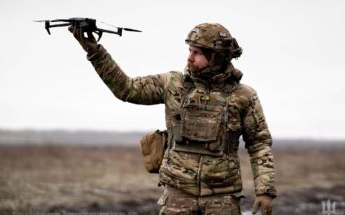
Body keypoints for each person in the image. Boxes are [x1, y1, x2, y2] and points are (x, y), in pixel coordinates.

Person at [69, 23, 276, 215]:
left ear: (216, 57)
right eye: (189, 51)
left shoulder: (244, 96)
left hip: (222, 199)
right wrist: (95, 52)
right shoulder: (172, 84)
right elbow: (127, 89)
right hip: (177, 196)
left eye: (197, 53)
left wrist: (265, 191)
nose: (189, 57)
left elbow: (259, 144)